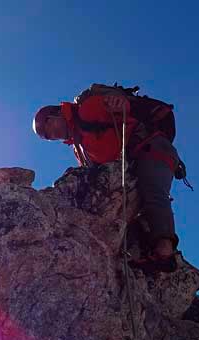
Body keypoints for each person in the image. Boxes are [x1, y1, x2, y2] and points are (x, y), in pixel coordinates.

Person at [33, 85, 182, 274]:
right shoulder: (80, 148)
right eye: (47, 137)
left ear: (56, 113)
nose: (52, 135)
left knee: (152, 191)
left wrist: (118, 102)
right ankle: (147, 255)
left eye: (48, 126)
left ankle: (165, 251)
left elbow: (117, 105)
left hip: (152, 148)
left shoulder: (86, 110)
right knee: (135, 211)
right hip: (135, 162)